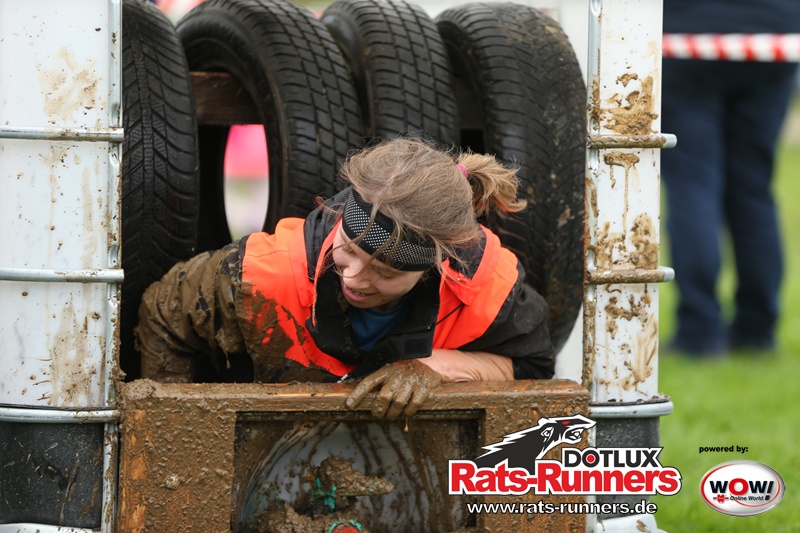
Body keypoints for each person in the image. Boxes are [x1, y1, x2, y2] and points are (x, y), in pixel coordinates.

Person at [134, 138, 554, 418]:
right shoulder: (258, 275)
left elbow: (532, 370)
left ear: (434, 266)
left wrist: (433, 368)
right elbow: (163, 313)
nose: (353, 277)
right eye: (348, 250)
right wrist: (175, 424)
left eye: (385, 272)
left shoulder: (488, 288)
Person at [661, 0, 800, 357]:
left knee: (692, 186)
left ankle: (699, 332)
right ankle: (757, 331)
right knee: (754, 190)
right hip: (773, 38)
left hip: (687, 40)